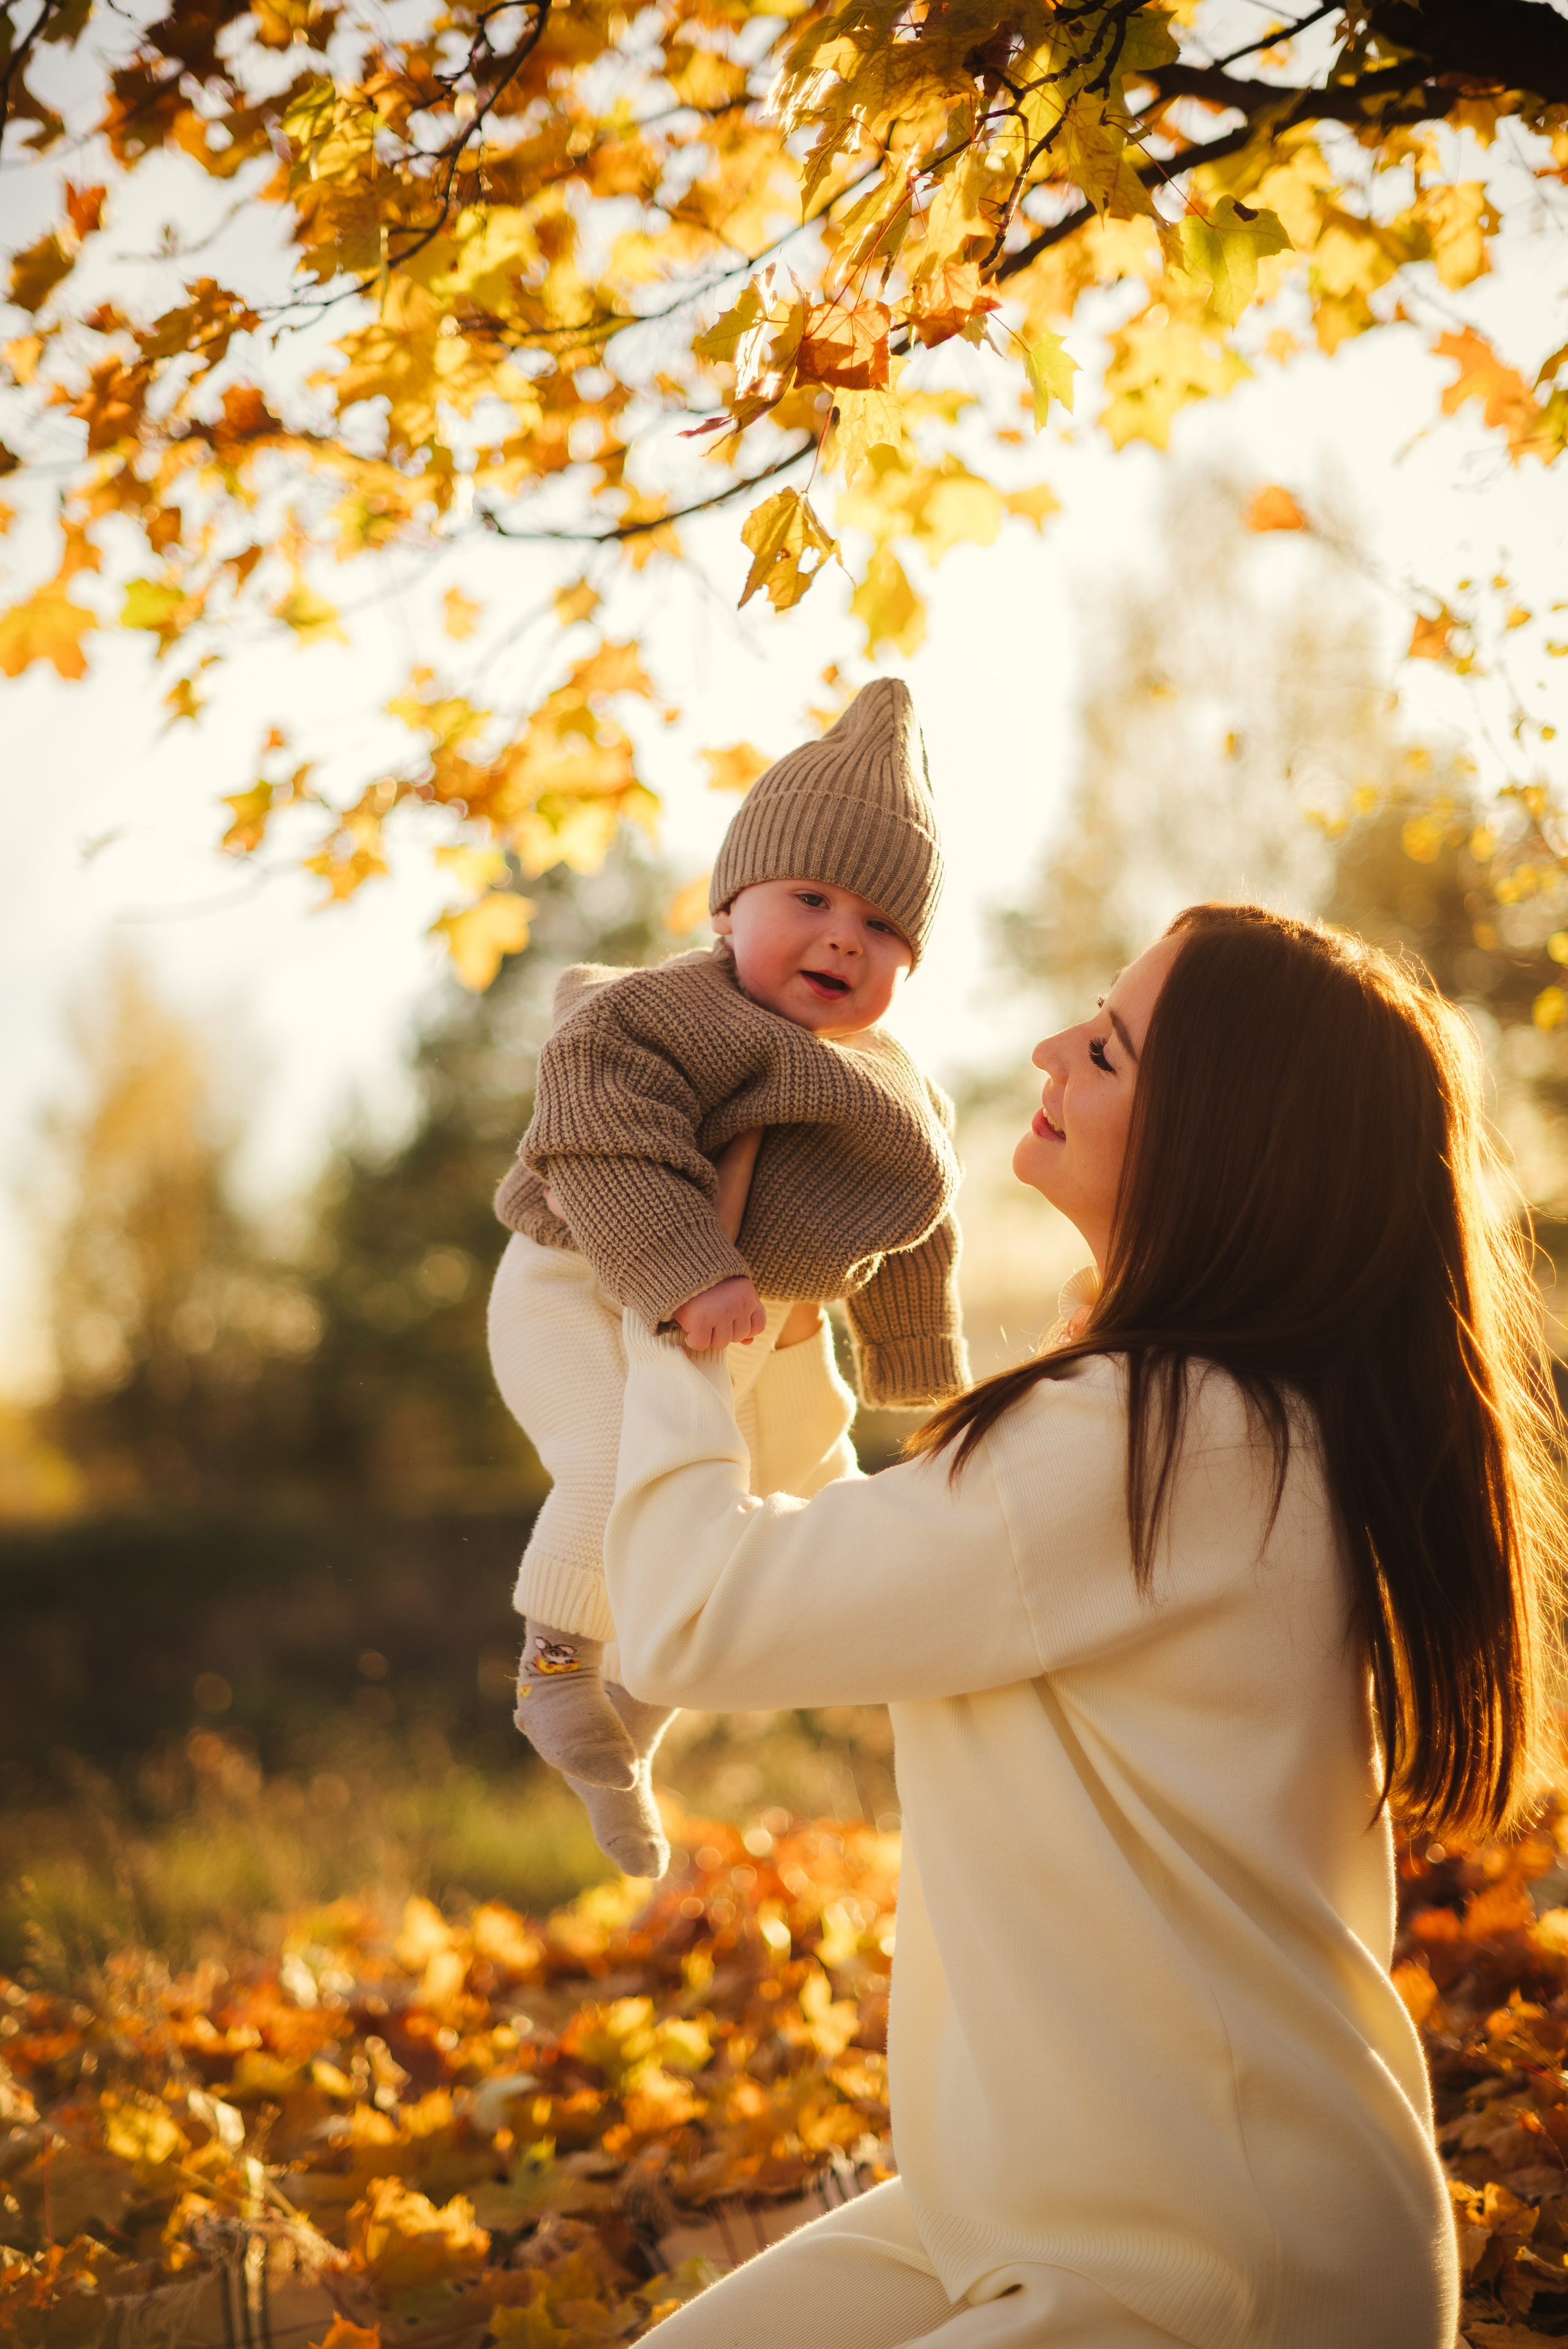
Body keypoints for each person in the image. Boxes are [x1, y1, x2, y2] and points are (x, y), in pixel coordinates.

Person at [596, 903, 1567, 2347]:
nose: (1050, 1050)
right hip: (1046, 2197)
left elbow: (691, 1618)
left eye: (1105, 1049)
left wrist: (680, 1291)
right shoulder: (1196, 1412)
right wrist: (786, 1326)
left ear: (1217, 1146)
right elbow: (861, 1587)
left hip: (1213, 2267)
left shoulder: (1146, 1434)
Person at [487, 680, 970, 1876]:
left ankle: (636, 1717)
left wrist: (917, 1369)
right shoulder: (666, 1014)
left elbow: (917, 1218)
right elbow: (597, 1118)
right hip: (579, 1284)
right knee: (618, 1465)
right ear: (724, 906)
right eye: (808, 898)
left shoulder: (891, 1087)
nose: (844, 936)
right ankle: (556, 1667)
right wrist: (683, 1262)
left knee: (787, 1498)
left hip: (746, 1326)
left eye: (883, 925)